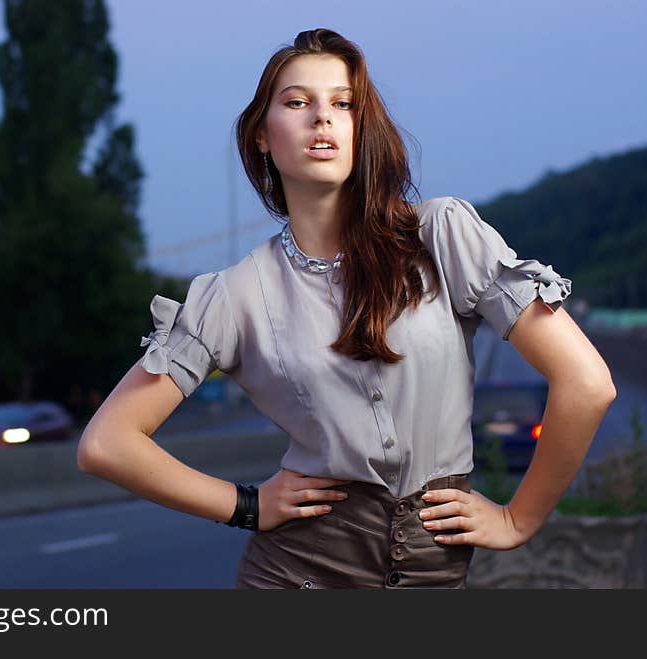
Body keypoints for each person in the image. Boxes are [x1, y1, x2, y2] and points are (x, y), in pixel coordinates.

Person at [77, 28, 616, 589]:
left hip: (435, 574)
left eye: (342, 103)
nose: (322, 118)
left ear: (363, 127)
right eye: (297, 102)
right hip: (297, 572)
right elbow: (106, 443)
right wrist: (248, 505)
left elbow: (587, 383)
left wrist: (517, 517)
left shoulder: (442, 235)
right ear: (263, 135)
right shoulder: (232, 293)